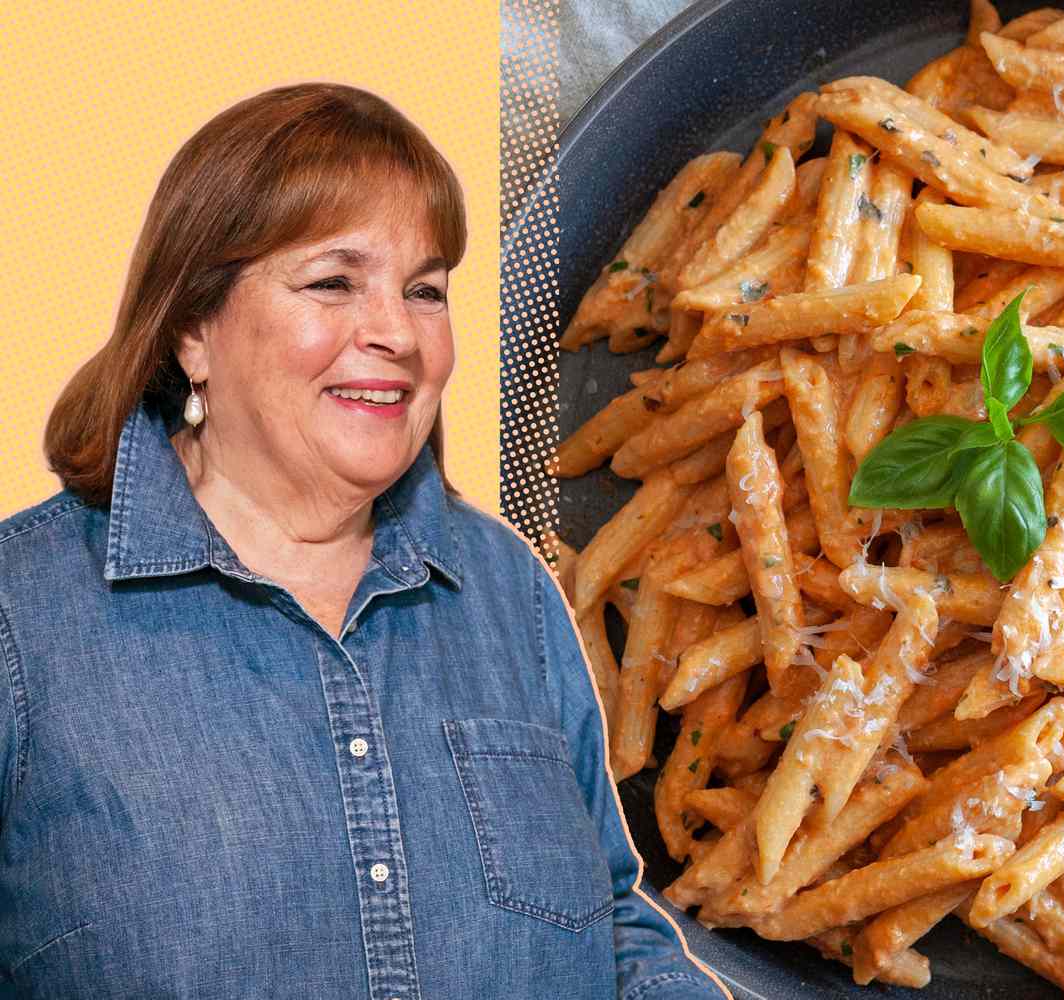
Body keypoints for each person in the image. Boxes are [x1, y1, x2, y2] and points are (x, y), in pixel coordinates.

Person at [0, 82, 724, 1000]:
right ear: (192, 329)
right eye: (333, 283)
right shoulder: (22, 614)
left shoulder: (506, 585)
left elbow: (615, 927)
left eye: (425, 291)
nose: (397, 333)